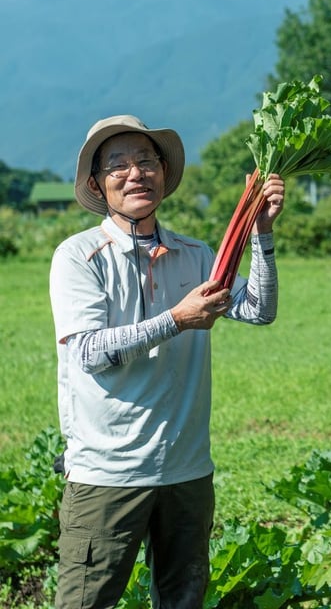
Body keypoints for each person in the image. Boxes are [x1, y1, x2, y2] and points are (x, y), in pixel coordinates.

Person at [49, 115, 285, 609]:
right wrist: (176, 319)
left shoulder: (195, 255)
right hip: (107, 473)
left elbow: (259, 311)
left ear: (163, 173)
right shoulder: (79, 256)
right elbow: (89, 352)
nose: (135, 173)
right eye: (118, 166)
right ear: (98, 184)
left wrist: (260, 234)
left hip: (186, 471)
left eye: (146, 161)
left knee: (183, 602)